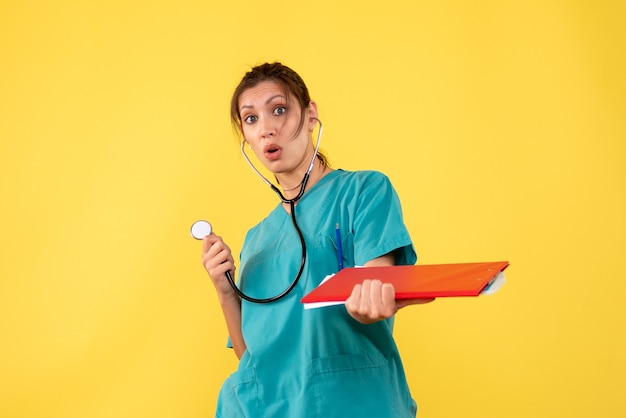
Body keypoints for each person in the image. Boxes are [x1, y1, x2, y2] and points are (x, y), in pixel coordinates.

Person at [201, 62, 433, 417]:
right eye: (251, 119)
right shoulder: (256, 238)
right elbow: (251, 357)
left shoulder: (363, 192)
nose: (266, 129)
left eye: (279, 110)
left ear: (310, 115)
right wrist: (224, 289)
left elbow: (377, 282)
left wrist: (372, 301)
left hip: (350, 403)